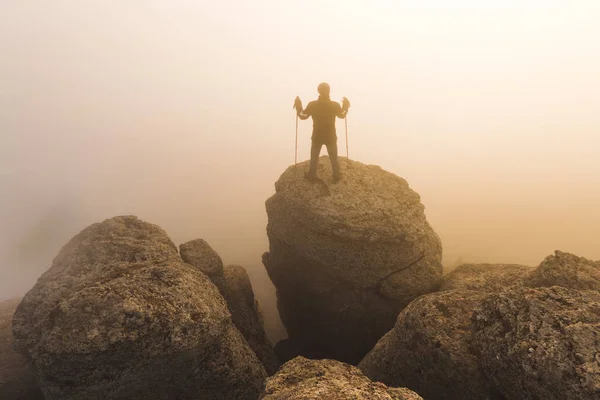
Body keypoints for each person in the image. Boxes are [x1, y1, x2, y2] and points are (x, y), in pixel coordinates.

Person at [294, 82, 350, 183]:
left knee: (314, 158)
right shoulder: (334, 105)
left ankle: (312, 176)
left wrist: (298, 106)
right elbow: (342, 115)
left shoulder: (313, 105)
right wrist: (345, 106)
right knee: (334, 158)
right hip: (331, 136)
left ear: (318, 91)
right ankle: (336, 176)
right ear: (329, 91)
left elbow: (303, 116)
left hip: (317, 136)